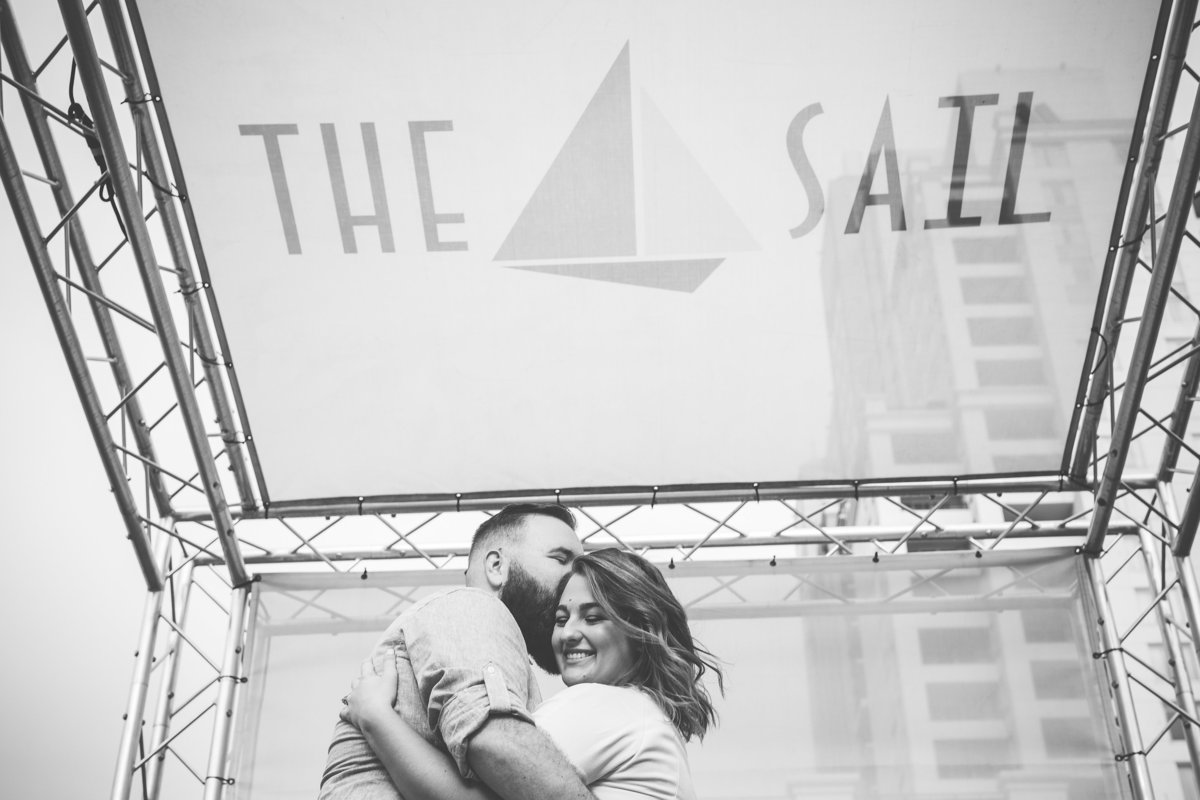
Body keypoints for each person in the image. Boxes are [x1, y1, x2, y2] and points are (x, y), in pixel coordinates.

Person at [340, 548, 723, 800]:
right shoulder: (647, 718)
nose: (569, 632)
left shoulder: (608, 705)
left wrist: (375, 716)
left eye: (593, 617)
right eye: (561, 618)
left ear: (640, 632)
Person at [318, 503, 593, 800]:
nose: (576, 578)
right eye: (561, 559)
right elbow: (499, 745)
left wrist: (376, 716)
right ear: (496, 566)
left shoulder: (488, 640)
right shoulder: (472, 607)